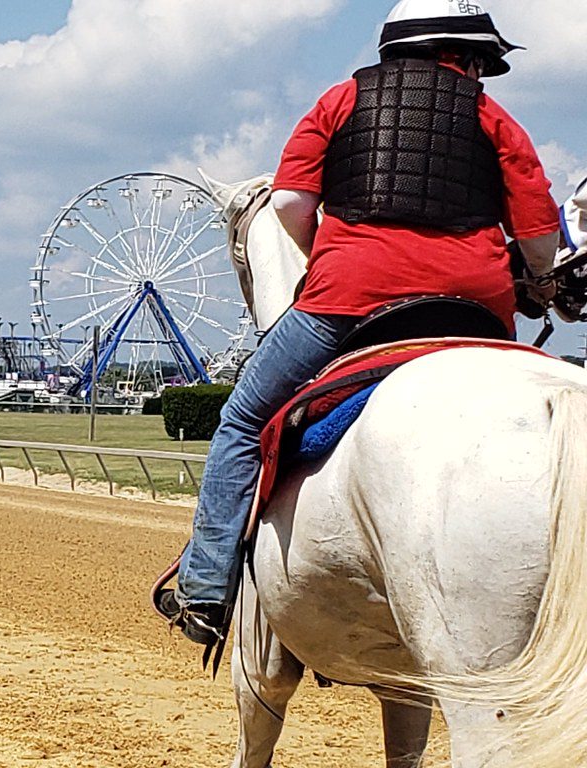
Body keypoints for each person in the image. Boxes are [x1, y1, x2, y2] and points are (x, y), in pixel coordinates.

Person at [157, 0, 561, 649]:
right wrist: (538, 282)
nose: (479, 74)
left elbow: (289, 202)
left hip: (348, 303)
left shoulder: (340, 101)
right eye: (477, 62)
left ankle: (205, 589)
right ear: (462, 55)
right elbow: (539, 240)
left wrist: (329, 254)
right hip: (475, 313)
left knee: (240, 421)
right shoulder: (494, 120)